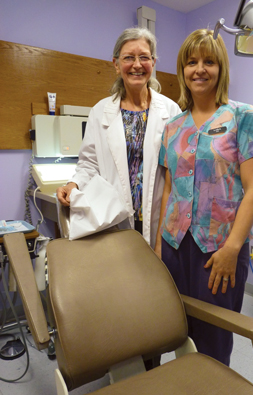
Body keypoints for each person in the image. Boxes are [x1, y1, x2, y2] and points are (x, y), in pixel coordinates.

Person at [154, 29, 253, 366]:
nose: (199, 69)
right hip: (175, 246)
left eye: (209, 61)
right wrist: (161, 248)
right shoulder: (173, 126)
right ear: (182, 70)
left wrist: (232, 249)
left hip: (219, 249)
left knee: (214, 339)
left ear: (221, 68)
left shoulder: (242, 116)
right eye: (191, 62)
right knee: (177, 329)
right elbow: (169, 189)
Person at [56, 27, 181, 248]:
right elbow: (88, 163)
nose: (137, 64)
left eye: (144, 57)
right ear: (116, 64)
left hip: (158, 218)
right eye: (128, 58)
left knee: (157, 280)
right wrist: (73, 183)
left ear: (153, 62)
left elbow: (178, 170)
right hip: (115, 217)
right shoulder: (100, 111)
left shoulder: (171, 112)